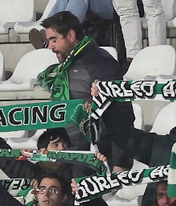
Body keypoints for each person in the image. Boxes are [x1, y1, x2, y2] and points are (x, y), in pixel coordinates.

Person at [34, 12, 122, 149]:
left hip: (89, 151)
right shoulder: (68, 64)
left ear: (71, 35)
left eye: (54, 40)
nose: (50, 46)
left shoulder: (100, 63)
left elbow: (120, 116)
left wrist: (116, 159)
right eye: (49, 41)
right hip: (66, 147)